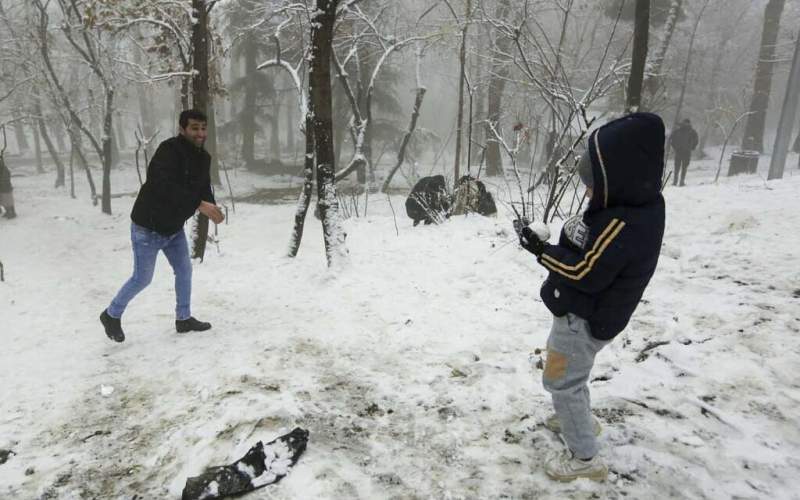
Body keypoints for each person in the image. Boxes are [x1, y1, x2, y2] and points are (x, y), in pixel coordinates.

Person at [517, 112, 666, 482]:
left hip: (581, 318)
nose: (586, 192)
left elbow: (586, 273)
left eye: (591, 184)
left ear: (618, 179)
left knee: (561, 381)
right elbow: (599, 251)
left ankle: (584, 457)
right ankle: (573, 418)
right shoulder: (637, 207)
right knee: (572, 376)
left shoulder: (623, 224)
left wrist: (541, 250)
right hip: (589, 315)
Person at [100, 110, 224, 343]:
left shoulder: (203, 158)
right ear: (182, 129)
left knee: (184, 270)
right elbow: (162, 185)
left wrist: (212, 208)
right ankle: (111, 315)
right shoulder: (168, 151)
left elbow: (203, 187)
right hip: (148, 225)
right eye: (194, 128)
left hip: (173, 227)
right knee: (142, 278)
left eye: (203, 128)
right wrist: (198, 204)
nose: (200, 133)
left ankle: (183, 318)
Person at [669, 118, 699, 186]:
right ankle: (678, 182)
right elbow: (671, 139)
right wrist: (692, 147)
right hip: (683, 152)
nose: (686, 124)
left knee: (681, 167)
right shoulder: (691, 131)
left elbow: (696, 140)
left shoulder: (681, 131)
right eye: (685, 123)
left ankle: (678, 182)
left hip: (683, 151)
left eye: (686, 123)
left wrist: (692, 147)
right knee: (680, 168)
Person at [0, 154, 16, 219]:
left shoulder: (4, 170)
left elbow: (5, 178)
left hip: (6, 188)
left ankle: (12, 213)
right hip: (3, 188)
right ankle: (8, 212)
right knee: (4, 201)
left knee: (8, 201)